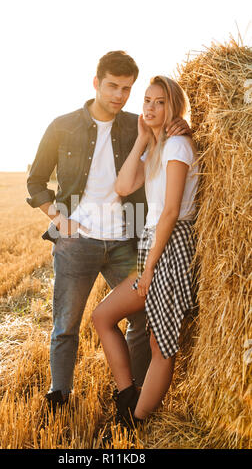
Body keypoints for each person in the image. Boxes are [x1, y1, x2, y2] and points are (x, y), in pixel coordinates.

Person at [26, 52, 191, 412]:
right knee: (67, 323)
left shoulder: (138, 124)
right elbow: (35, 181)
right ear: (97, 83)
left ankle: (134, 392)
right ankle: (60, 396)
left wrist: (182, 126)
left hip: (126, 239)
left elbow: (166, 134)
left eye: (127, 89)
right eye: (113, 86)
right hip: (76, 241)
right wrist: (58, 218)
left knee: (140, 319)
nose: (120, 95)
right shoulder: (62, 126)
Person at [92, 75, 199, 427]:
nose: (150, 108)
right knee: (103, 317)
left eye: (160, 102)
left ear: (174, 107)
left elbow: (170, 212)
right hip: (153, 246)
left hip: (170, 245)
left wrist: (150, 266)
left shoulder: (178, 146)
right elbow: (122, 186)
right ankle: (128, 396)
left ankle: (135, 421)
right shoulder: (157, 148)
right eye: (147, 101)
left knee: (160, 345)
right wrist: (141, 138)